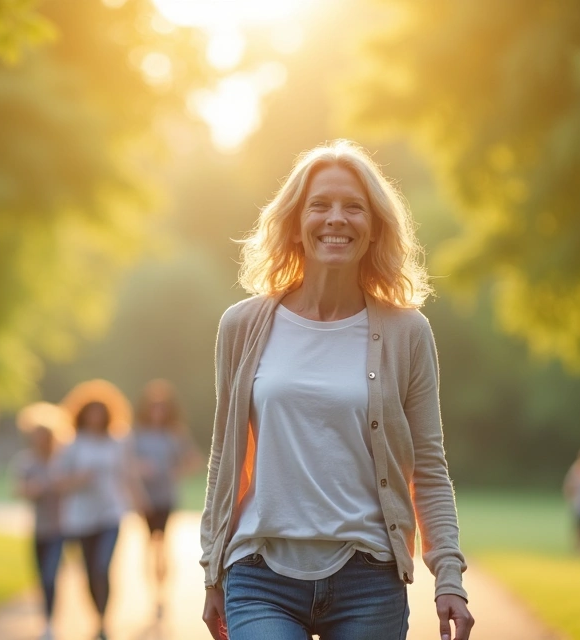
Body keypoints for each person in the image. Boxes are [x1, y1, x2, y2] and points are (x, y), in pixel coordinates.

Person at [199, 140, 474, 640]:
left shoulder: (406, 333)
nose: (336, 219)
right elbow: (225, 456)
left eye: (354, 207)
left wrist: (448, 577)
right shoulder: (241, 325)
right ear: (296, 223)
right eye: (319, 205)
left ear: (374, 229)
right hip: (261, 576)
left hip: (368, 581)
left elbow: (428, 467)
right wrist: (212, 567)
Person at [54, 380, 145, 640]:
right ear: (81, 413)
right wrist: (78, 480)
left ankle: (104, 621)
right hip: (80, 517)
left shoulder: (118, 441)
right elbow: (58, 481)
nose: (95, 417)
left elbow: (128, 474)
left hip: (110, 513)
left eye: (100, 412)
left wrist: (140, 504)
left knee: (101, 567)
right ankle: (97, 618)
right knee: (87, 570)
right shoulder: (72, 444)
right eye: (90, 412)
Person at [129, 379, 201, 620]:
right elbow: (126, 463)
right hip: (145, 498)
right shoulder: (137, 433)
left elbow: (194, 460)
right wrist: (140, 468)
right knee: (150, 544)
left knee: (164, 543)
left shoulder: (175, 434)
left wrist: (176, 471)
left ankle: (162, 594)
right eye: (153, 407)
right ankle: (153, 592)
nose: (157, 412)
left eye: (162, 407)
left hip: (167, 497)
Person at [10, 402, 73, 640]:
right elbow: (19, 490)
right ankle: (46, 619)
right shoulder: (26, 461)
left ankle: (50, 622)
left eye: (44, 435)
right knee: (41, 578)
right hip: (39, 529)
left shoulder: (62, 460)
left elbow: (72, 485)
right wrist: (34, 489)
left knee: (51, 574)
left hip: (61, 528)